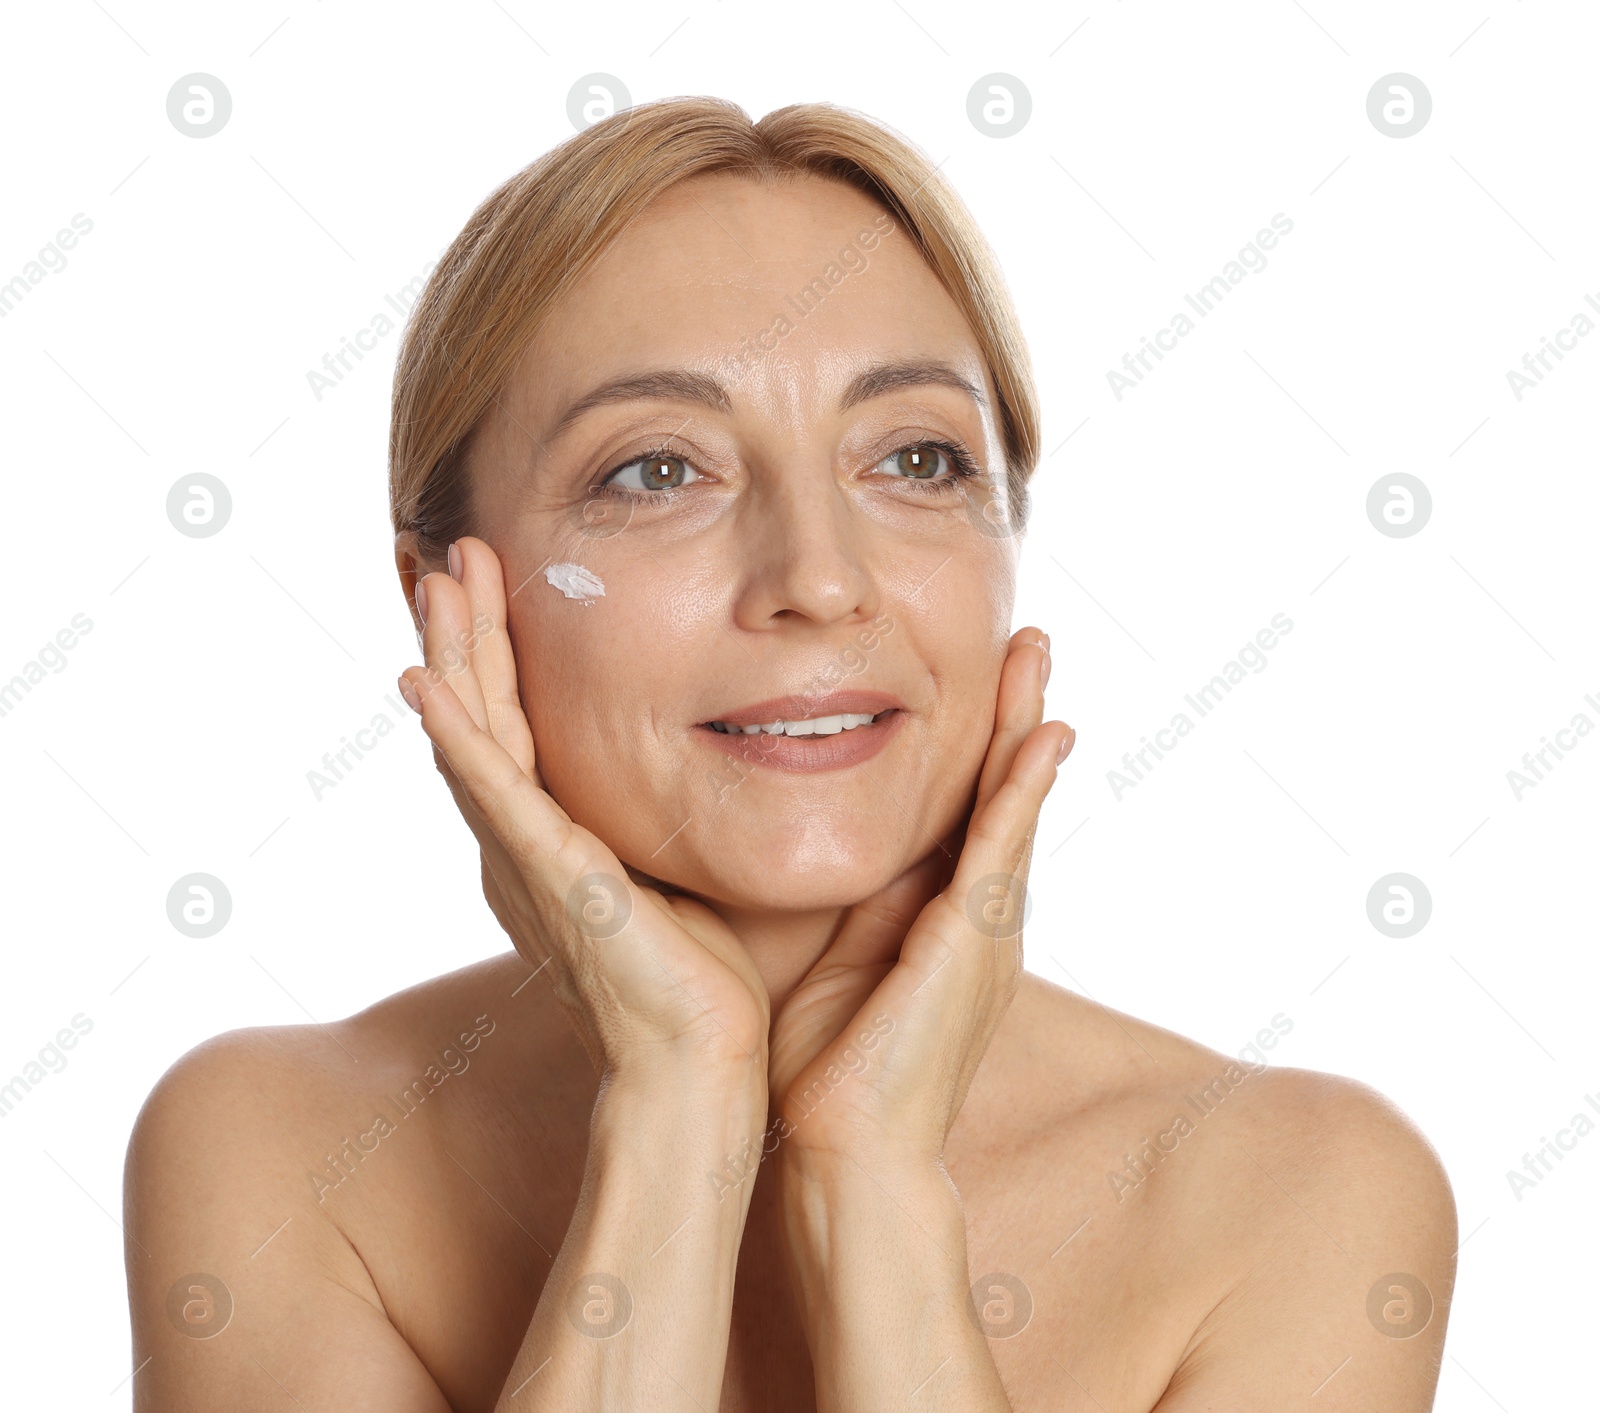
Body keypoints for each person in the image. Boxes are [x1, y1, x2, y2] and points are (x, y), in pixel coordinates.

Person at [124, 96, 1456, 1410]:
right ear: (449, 599)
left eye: (918, 458)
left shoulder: (1300, 1195)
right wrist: (675, 1106)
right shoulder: (276, 1153)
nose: (819, 579)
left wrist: (869, 1176)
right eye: (657, 472)